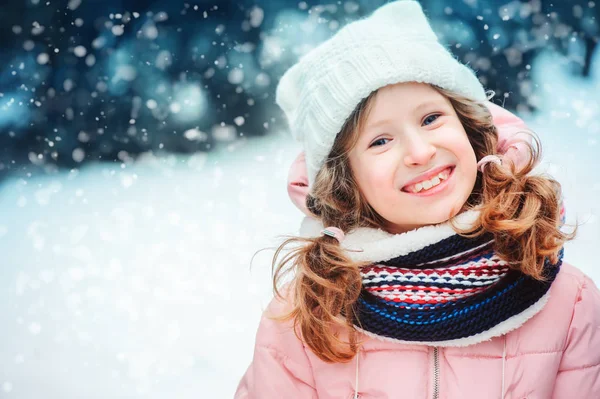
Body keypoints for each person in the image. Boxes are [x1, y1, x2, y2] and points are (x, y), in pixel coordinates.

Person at [235, 1, 600, 398]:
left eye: (430, 119)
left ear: (469, 127)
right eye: (380, 140)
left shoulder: (568, 299)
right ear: (346, 182)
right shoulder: (308, 313)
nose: (420, 152)